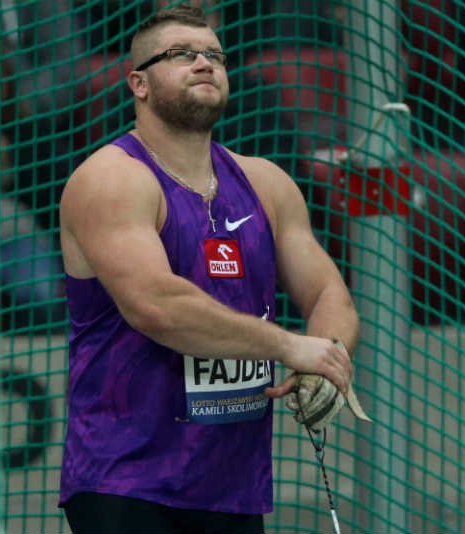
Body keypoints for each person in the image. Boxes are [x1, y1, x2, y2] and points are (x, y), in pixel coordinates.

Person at [57, 5, 360, 533]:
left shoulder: (266, 182)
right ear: (139, 83)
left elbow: (328, 292)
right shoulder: (112, 180)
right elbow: (157, 306)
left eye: (213, 55)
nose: (203, 63)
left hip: (232, 484)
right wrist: (289, 346)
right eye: (180, 54)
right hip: (127, 481)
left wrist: (327, 358)